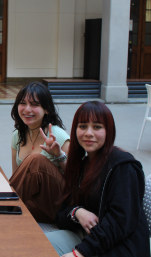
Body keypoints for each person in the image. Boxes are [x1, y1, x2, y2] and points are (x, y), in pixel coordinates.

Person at [45, 101, 149, 257]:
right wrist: (77, 212)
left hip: (121, 246)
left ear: (109, 131)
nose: (88, 133)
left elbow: (119, 223)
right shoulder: (82, 165)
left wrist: (79, 253)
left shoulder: (124, 167)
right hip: (90, 240)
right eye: (83, 126)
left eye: (97, 127)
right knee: (33, 242)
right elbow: (61, 215)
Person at [9, 82, 70, 223]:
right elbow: (18, 180)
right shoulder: (17, 136)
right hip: (36, 203)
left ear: (47, 109)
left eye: (35, 105)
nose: (27, 109)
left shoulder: (58, 136)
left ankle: (3, 204)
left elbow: (76, 181)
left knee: (36, 160)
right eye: (23, 103)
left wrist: (59, 156)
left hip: (60, 205)